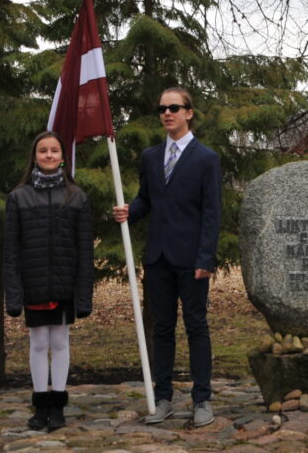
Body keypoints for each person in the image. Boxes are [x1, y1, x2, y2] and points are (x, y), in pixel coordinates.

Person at [112, 87, 222, 427]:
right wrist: (130, 210)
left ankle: (201, 399)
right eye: (162, 109)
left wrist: (206, 258)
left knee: (196, 327)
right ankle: (163, 398)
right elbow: (147, 198)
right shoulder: (150, 156)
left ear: (189, 112)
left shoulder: (206, 158)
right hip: (158, 256)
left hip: (192, 260)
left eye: (174, 107)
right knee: (162, 329)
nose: (167, 113)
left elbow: (212, 212)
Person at [4, 131, 94, 432]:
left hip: (65, 283)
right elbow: (11, 250)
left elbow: (85, 250)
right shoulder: (18, 197)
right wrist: (14, 294)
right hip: (34, 283)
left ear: (63, 157)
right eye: (43, 151)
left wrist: (84, 295)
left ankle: (58, 405)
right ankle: (40, 403)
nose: (49, 155)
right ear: (34, 156)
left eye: (54, 150)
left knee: (60, 341)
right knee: (39, 342)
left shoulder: (77, 197)